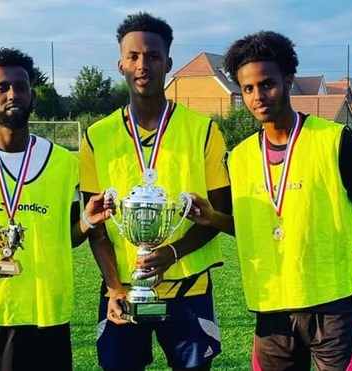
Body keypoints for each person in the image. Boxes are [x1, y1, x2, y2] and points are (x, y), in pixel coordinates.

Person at [188, 31, 352, 371]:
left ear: (289, 80)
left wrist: (331, 251)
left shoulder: (335, 141)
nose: (257, 96)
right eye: (248, 89)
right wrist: (213, 218)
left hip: (331, 306)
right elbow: (253, 229)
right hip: (271, 308)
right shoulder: (238, 158)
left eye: (267, 84)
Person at [0, 47, 112, 371]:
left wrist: (87, 220)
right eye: (2, 87)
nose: (13, 94)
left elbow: (68, 237)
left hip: (46, 312)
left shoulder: (63, 163)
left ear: (32, 95)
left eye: (21, 86)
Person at [80, 12, 232, 371]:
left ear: (168, 63)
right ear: (121, 64)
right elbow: (95, 224)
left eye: (152, 56)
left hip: (188, 288)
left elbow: (219, 216)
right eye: (133, 56)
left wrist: (173, 252)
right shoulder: (96, 137)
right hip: (120, 290)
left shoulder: (203, 130)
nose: (142, 64)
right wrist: (114, 287)